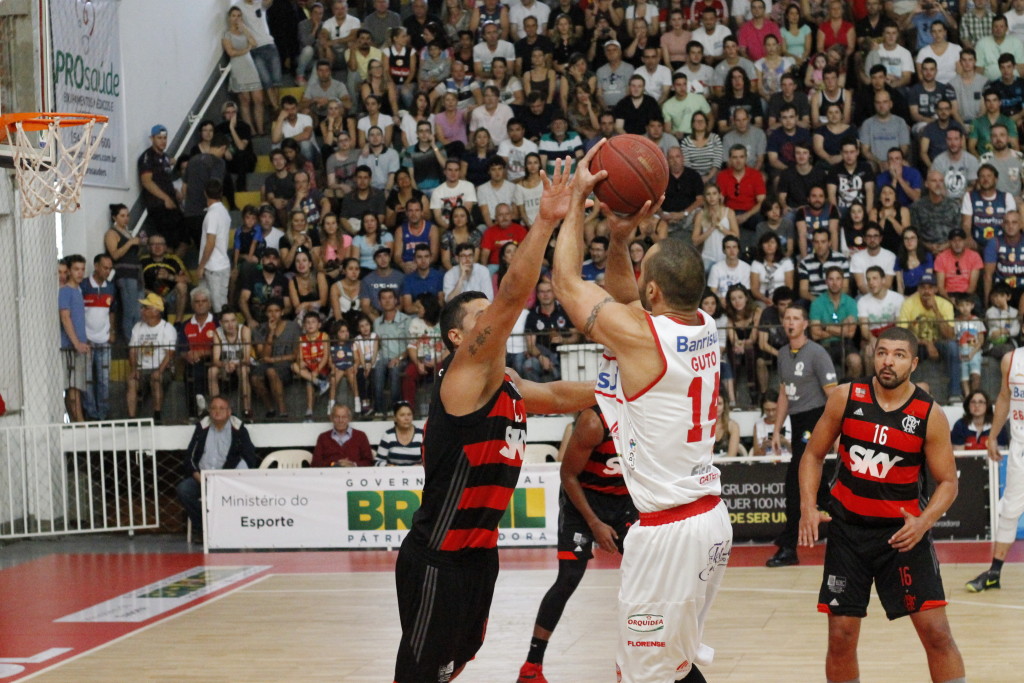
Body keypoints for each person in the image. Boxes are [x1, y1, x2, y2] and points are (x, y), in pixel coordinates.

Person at [393, 159, 596, 682]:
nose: (494, 321)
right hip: (437, 556)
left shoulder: (507, 384)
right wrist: (547, 222)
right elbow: (510, 298)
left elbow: (555, 393)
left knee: (450, 667)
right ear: (460, 340)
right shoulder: (460, 378)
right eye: (479, 318)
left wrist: (636, 388)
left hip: (479, 557)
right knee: (418, 676)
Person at [550, 139, 731, 682]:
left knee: (644, 676)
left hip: (668, 533)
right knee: (674, 667)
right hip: (706, 520)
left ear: (653, 290)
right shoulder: (702, 326)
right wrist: (624, 236)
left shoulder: (644, 341)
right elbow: (628, 302)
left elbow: (566, 284)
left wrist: (576, 206)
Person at [797, 327, 965, 683]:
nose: (888, 361)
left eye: (899, 354)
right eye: (883, 352)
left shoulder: (929, 414)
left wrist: (923, 522)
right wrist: (808, 507)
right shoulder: (846, 397)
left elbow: (948, 482)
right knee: (840, 636)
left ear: (914, 363)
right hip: (848, 534)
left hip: (903, 536)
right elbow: (812, 455)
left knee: (937, 634)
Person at [517, 405, 638, 683]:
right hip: (582, 500)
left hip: (624, 504)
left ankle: (648, 656)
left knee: (648, 572)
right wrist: (595, 524)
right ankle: (531, 667)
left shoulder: (650, 414)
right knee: (569, 578)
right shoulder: (594, 422)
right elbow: (568, 476)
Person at [768, 304, 838, 567]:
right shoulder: (783, 354)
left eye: (796, 318)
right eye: (787, 318)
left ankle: (788, 546)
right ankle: (844, 533)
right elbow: (784, 393)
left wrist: (839, 431)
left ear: (806, 324)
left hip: (817, 418)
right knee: (818, 487)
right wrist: (776, 429)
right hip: (798, 422)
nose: (790, 322)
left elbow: (833, 394)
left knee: (794, 481)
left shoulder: (817, 354)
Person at [176, 396, 259, 535]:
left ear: (229, 412)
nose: (217, 412)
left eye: (221, 408)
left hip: (226, 480)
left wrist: (228, 479)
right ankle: (204, 528)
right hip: (202, 479)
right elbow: (189, 457)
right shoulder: (202, 428)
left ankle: (226, 530)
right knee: (183, 490)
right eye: (213, 408)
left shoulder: (238, 430)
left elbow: (249, 458)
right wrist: (199, 477)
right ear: (209, 411)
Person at [898, 273, 960, 402]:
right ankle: (905, 395)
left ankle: (955, 394)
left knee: (953, 347)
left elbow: (949, 335)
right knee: (904, 349)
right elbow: (902, 334)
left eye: (930, 287)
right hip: (917, 343)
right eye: (923, 287)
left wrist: (936, 310)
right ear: (918, 289)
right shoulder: (908, 304)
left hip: (940, 343)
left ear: (936, 289)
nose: (927, 291)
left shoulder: (944, 305)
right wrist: (927, 343)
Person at [127, 293, 179, 423]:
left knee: (156, 379)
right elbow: (133, 350)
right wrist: (134, 369)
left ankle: (157, 415)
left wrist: (159, 370)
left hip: (162, 369)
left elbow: (170, 353)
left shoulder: (167, 328)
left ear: (156, 311)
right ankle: (132, 419)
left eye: (146, 307)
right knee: (131, 381)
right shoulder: (138, 327)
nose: (142, 310)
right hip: (142, 368)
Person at [80, 254, 116, 421]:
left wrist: (112, 332)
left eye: (109, 268)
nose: (107, 271)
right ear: (96, 266)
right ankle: (91, 414)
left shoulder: (111, 287)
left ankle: (102, 414)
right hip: (86, 340)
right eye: (104, 267)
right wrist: (81, 337)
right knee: (87, 380)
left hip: (104, 339)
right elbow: (78, 314)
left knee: (104, 380)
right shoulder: (84, 286)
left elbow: (112, 312)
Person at [59, 255, 89, 423]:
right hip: (70, 347)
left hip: (78, 345)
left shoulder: (77, 291)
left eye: (82, 269)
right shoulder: (65, 291)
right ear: (69, 271)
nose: (80, 273)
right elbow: (65, 317)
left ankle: (78, 422)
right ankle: (79, 423)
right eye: (76, 269)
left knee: (76, 387)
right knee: (73, 388)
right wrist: (77, 343)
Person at [209, 307, 253, 419]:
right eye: (226, 321)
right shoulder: (217, 333)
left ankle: (247, 410)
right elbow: (215, 359)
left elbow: (246, 358)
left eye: (233, 320)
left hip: (243, 365)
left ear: (237, 321)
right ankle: (216, 407)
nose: (230, 324)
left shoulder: (244, 330)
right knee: (212, 371)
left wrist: (234, 364)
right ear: (221, 323)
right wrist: (225, 365)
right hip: (226, 365)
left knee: (243, 370)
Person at [953, 295, 986, 398]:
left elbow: (981, 339)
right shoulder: (956, 322)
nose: (965, 308)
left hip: (974, 350)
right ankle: (967, 397)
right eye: (962, 305)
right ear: (957, 307)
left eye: (967, 305)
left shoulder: (977, 321)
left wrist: (973, 353)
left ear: (972, 306)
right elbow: (954, 338)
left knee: (975, 374)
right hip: (961, 350)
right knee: (964, 376)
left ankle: (974, 396)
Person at [375, 401, 424, 466]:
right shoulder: (388, 435)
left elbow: (430, 460)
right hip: (393, 474)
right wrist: (388, 466)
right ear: (395, 418)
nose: (406, 418)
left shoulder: (421, 435)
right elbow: (378, 462)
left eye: (409, 414)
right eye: (402, 415)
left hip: (418, 475)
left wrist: (422, 465)